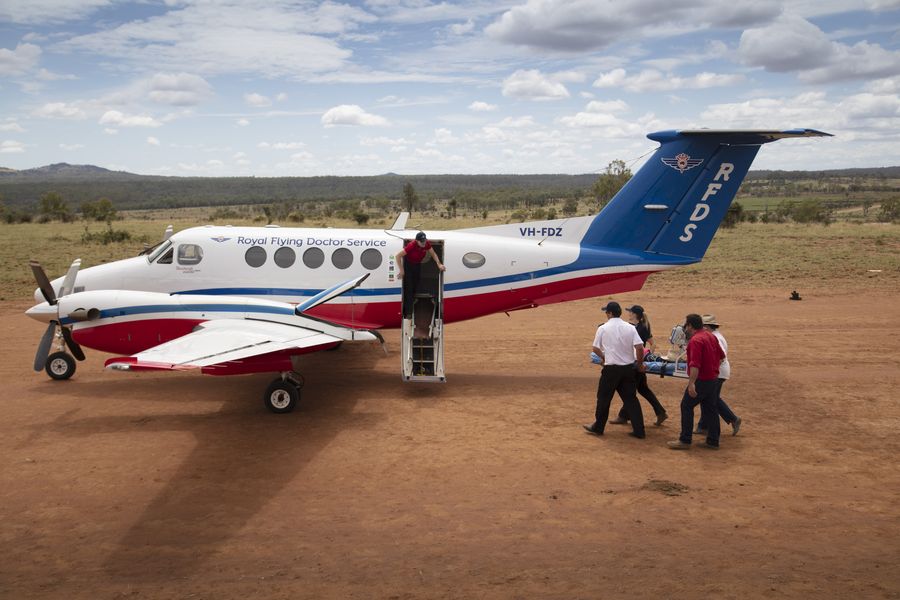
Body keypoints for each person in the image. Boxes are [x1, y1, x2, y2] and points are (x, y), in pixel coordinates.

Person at [583, 301, 646, 439]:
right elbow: (640, 348)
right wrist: (640, 364)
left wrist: (604, 358)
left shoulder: (603, 328)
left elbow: (595, 348)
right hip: (628, 369)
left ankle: (598, 427)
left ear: (610, 313)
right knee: (631, 399)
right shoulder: (630, 328)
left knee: (604, 399)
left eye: (607, 312)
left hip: (611, 369)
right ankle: (639, 430)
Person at [667, 313, 725, 450]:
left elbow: (694, 365)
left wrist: (692, 383)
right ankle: (713, 440)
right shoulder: (710, 336)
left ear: (690, 326)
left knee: (686, 406)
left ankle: (685, 439)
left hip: (702, 380)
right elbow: (721, 357)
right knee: (711, 408)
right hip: (713, 379)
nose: (685, 328)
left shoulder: (695, 341)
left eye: (686, 325)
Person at [609, 305, 668, 426]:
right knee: (642, 389)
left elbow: (648, 344)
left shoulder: (639, 328)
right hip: (638, 362)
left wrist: (646, 357)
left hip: (636, 363)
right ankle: (660, 412)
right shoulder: (638, 327)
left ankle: (623, 416)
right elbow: (652, 343)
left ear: (635, 314)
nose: (628, 313)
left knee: (630, 391)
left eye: (630, 312)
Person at [695, 314, 742, 435]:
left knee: (711, 399)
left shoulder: (716, 338)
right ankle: (703, 426)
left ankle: (733, 419)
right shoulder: (714, 336)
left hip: (717, 372)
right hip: (717, 372)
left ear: (706, 326)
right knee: (708, 398)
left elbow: (720, 357)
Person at [396, 231, 445, 318]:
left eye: (424, 241)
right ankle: (408, 312)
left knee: (416, 283)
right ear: (417, 241)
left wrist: (439, 264)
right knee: (409, 288)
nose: (423, 243)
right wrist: (402, 270)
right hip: (409, 265)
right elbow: (398, 256)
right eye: (421, 241)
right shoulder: (411, 245)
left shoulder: (426, 244)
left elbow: (433, 254)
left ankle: (412, 300)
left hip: (417, 265)